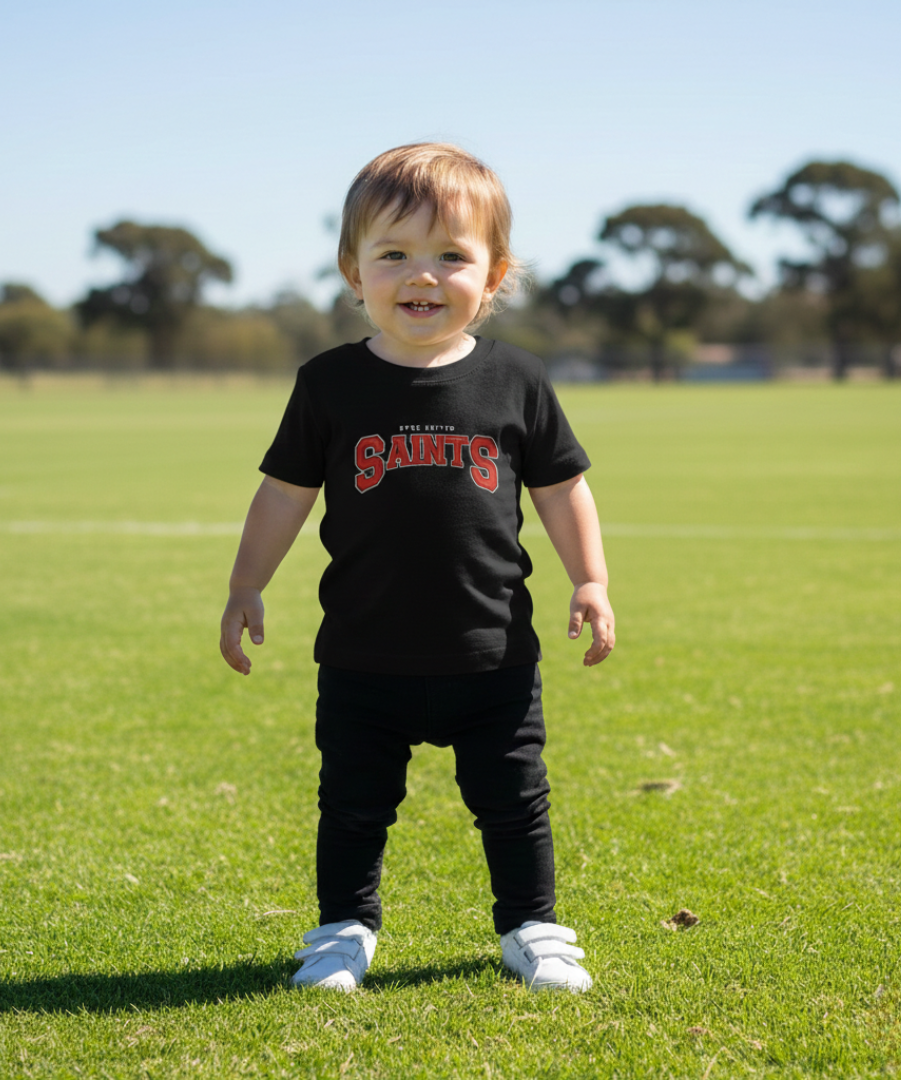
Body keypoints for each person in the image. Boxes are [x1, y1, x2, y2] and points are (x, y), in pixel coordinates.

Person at [220, 143, 614, 993]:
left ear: (496, 273)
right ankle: (342, 932)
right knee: (353, 805)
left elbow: (562, 491)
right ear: (352, 271)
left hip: (494, 652)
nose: (421, 276)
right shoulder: (328, 384)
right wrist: (245, 584)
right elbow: (283, 495)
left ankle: (532, 926)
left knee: (515, 803)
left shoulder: (517, 379)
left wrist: (591, 580)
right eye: (393, 254)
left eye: (451, 255)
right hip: (364, 654)